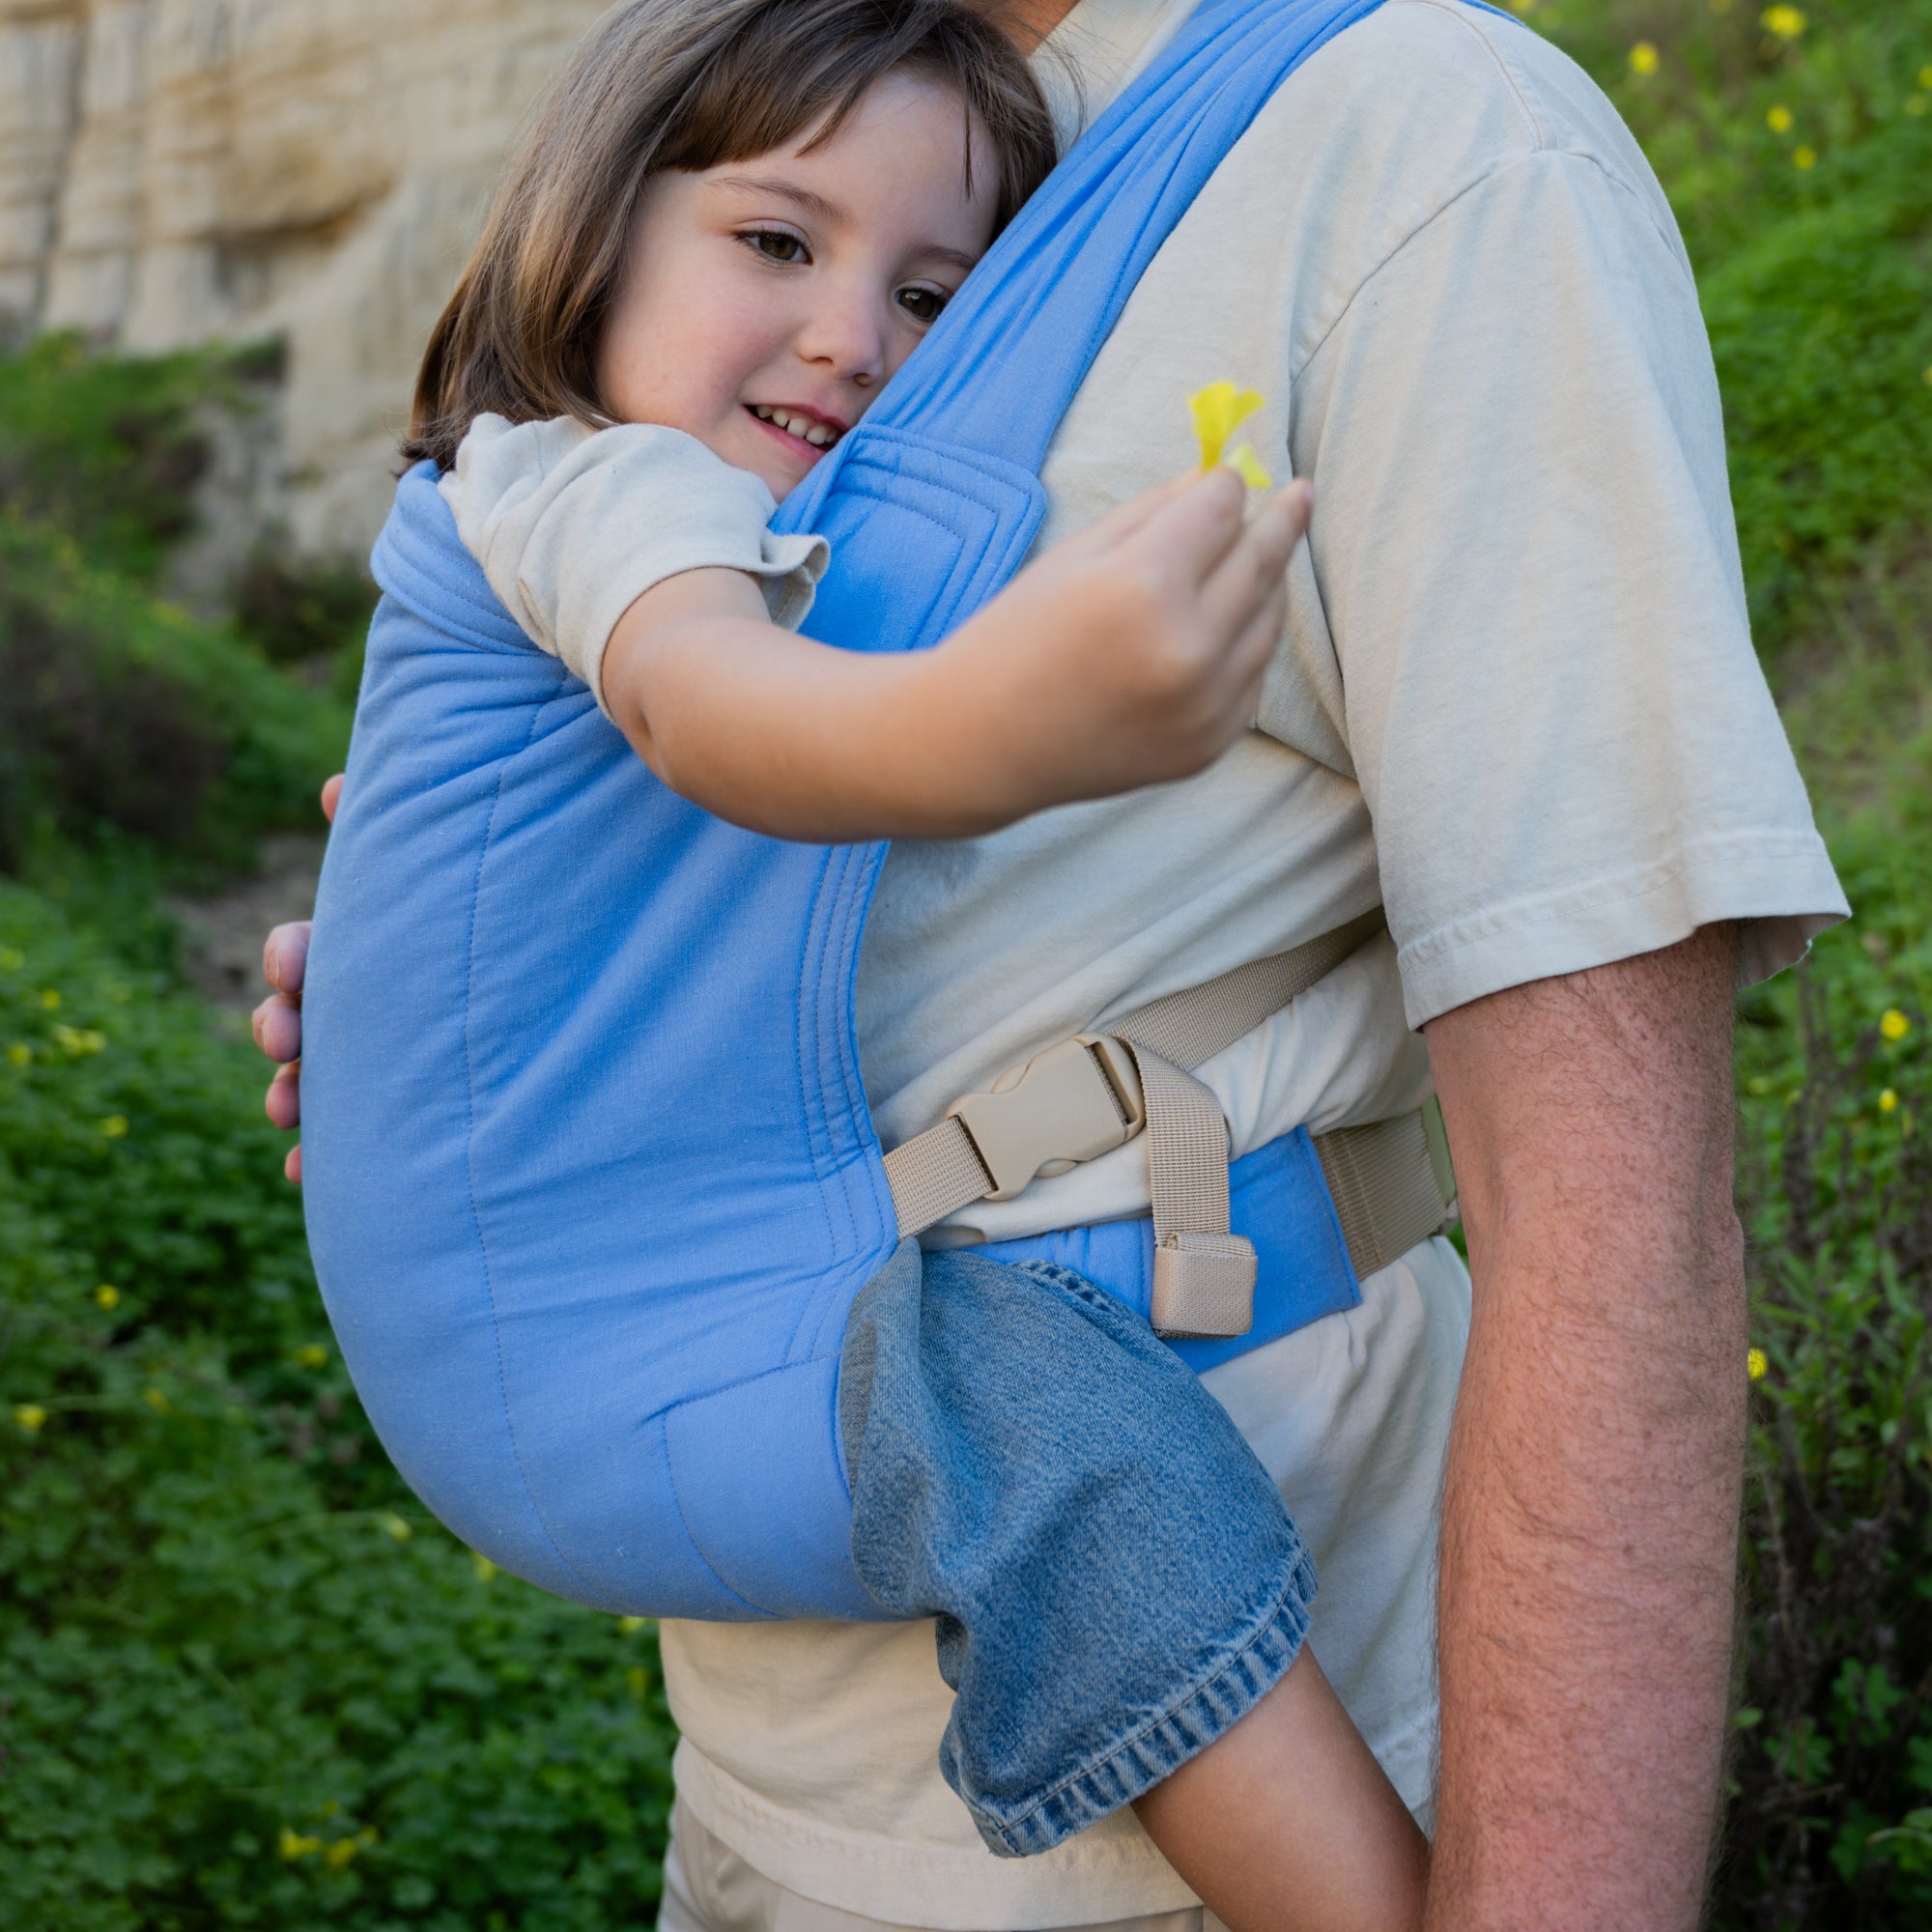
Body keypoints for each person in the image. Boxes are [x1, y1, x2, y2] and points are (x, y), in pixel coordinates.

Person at [260, 0, 1851, 1928]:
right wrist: (491, 1020)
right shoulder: (633, 395)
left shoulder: (1411, 141)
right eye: (780, 246)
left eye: (932, 296)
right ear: (593, 241)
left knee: (1088, 1486)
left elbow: (1615, 1197)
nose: (858, 336)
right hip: (764, 1788)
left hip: (1099, 1844)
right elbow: (714, 721)